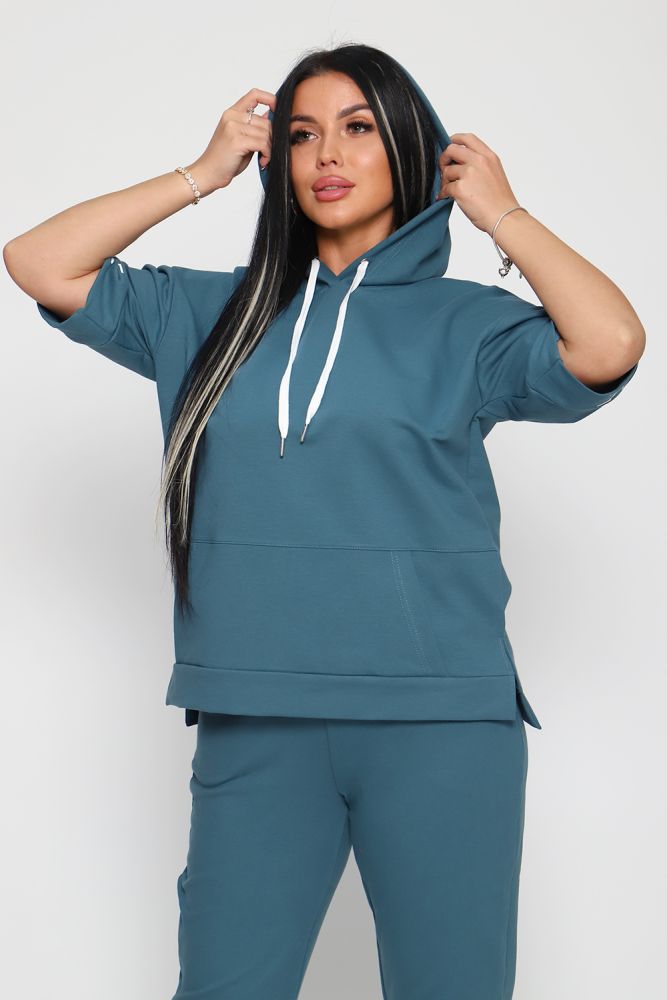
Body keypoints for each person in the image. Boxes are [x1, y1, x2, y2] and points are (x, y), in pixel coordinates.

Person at [4, 41, 644, 1000]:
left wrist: (500, 213)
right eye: (302, 134)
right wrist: (202, 172)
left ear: (411, 147)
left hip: (439, 723)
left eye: (357, 128)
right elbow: (37, 261)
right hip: (254, 712)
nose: (326, 155)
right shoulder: (205, 312)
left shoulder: (468, 324)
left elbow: (611, 342)